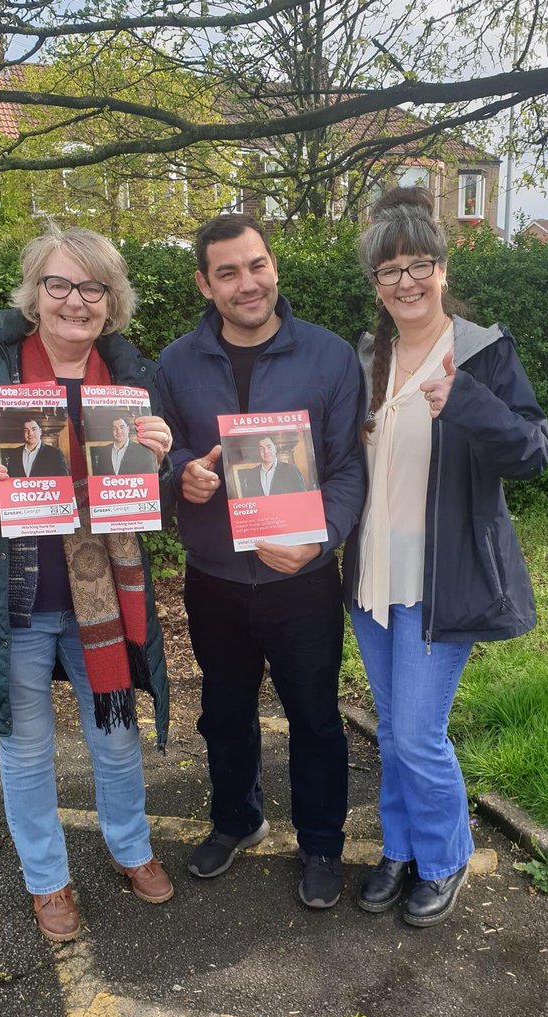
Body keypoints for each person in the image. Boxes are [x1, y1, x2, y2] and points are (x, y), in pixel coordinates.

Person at [0, 224, 176, 943]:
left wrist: (162, 458)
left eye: (92, 288)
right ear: (34, 292)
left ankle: (132, 850)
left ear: (112, 300)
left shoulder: (131, 377)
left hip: (100, 600)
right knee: (25, 748)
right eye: (59, 284)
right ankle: (48, 882)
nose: (75, 301)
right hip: (10, 598)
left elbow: (154, 495)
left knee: (116, 738)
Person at [343, 187, 548, 927]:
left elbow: (533, 453)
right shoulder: (367, 356)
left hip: (443, 578)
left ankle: (444, 856)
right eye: (388, 270)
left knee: (417, 733)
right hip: (372, 575)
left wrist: (466, 400)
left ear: (441, 268)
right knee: (392, 728)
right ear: (376, 282)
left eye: (417, 265)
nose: (405, 282)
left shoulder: (483, 352)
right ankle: (399, 850)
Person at [156, 213, 365, 909]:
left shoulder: (329, 357)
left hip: (301, 578)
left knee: (315, 716)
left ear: (274, 266)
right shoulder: (175, 364)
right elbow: (158, 457)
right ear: (204, 284)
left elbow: (348, 467)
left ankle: (322, 842)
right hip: (215, 577)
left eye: (256, 265)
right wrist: (183, 476)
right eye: (228, 272)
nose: (247, 284)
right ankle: (237, 819)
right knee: (224, 711)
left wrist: (322, 537)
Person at [238, 435, 306, 498]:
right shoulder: (251, 474)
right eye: (261, 449)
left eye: (269, 447)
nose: (266, 451)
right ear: (258, 452)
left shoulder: (291, 470)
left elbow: (301, 497)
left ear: (275, 448)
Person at [1, 416, 71, 478]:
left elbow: (63, 480)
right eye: (26, 430)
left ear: (40, 431)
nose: (30, 433)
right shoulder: (14, 454)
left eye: (34, 429)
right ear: (23, 433)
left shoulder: (55, 453)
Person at [90, 415, 159, 476]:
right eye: (114, 428)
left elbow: (148, 478)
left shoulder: (142, 451)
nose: (119, 431)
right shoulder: (103, 452)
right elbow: (98, 476)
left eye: (122, 427)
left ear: (128, 429)